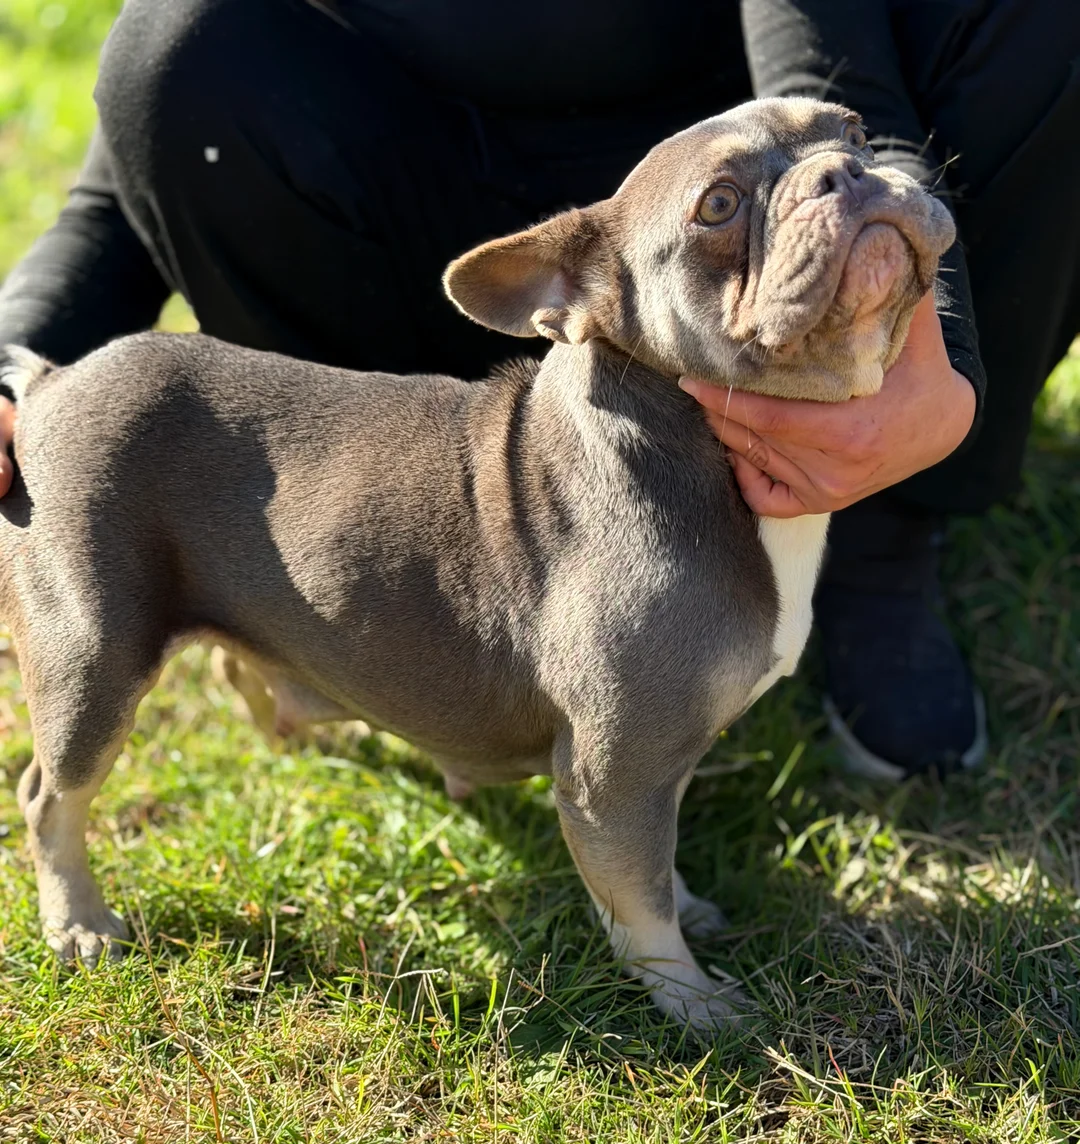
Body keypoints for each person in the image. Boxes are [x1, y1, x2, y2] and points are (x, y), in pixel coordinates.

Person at [0, 0, 1076, 777]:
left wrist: (947, 364)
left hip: (726, 173)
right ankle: (373, 580)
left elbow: (838, 85)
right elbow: (133, 143)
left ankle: (878, 522)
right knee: (184, 50)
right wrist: (14, 357)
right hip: (459, 267)